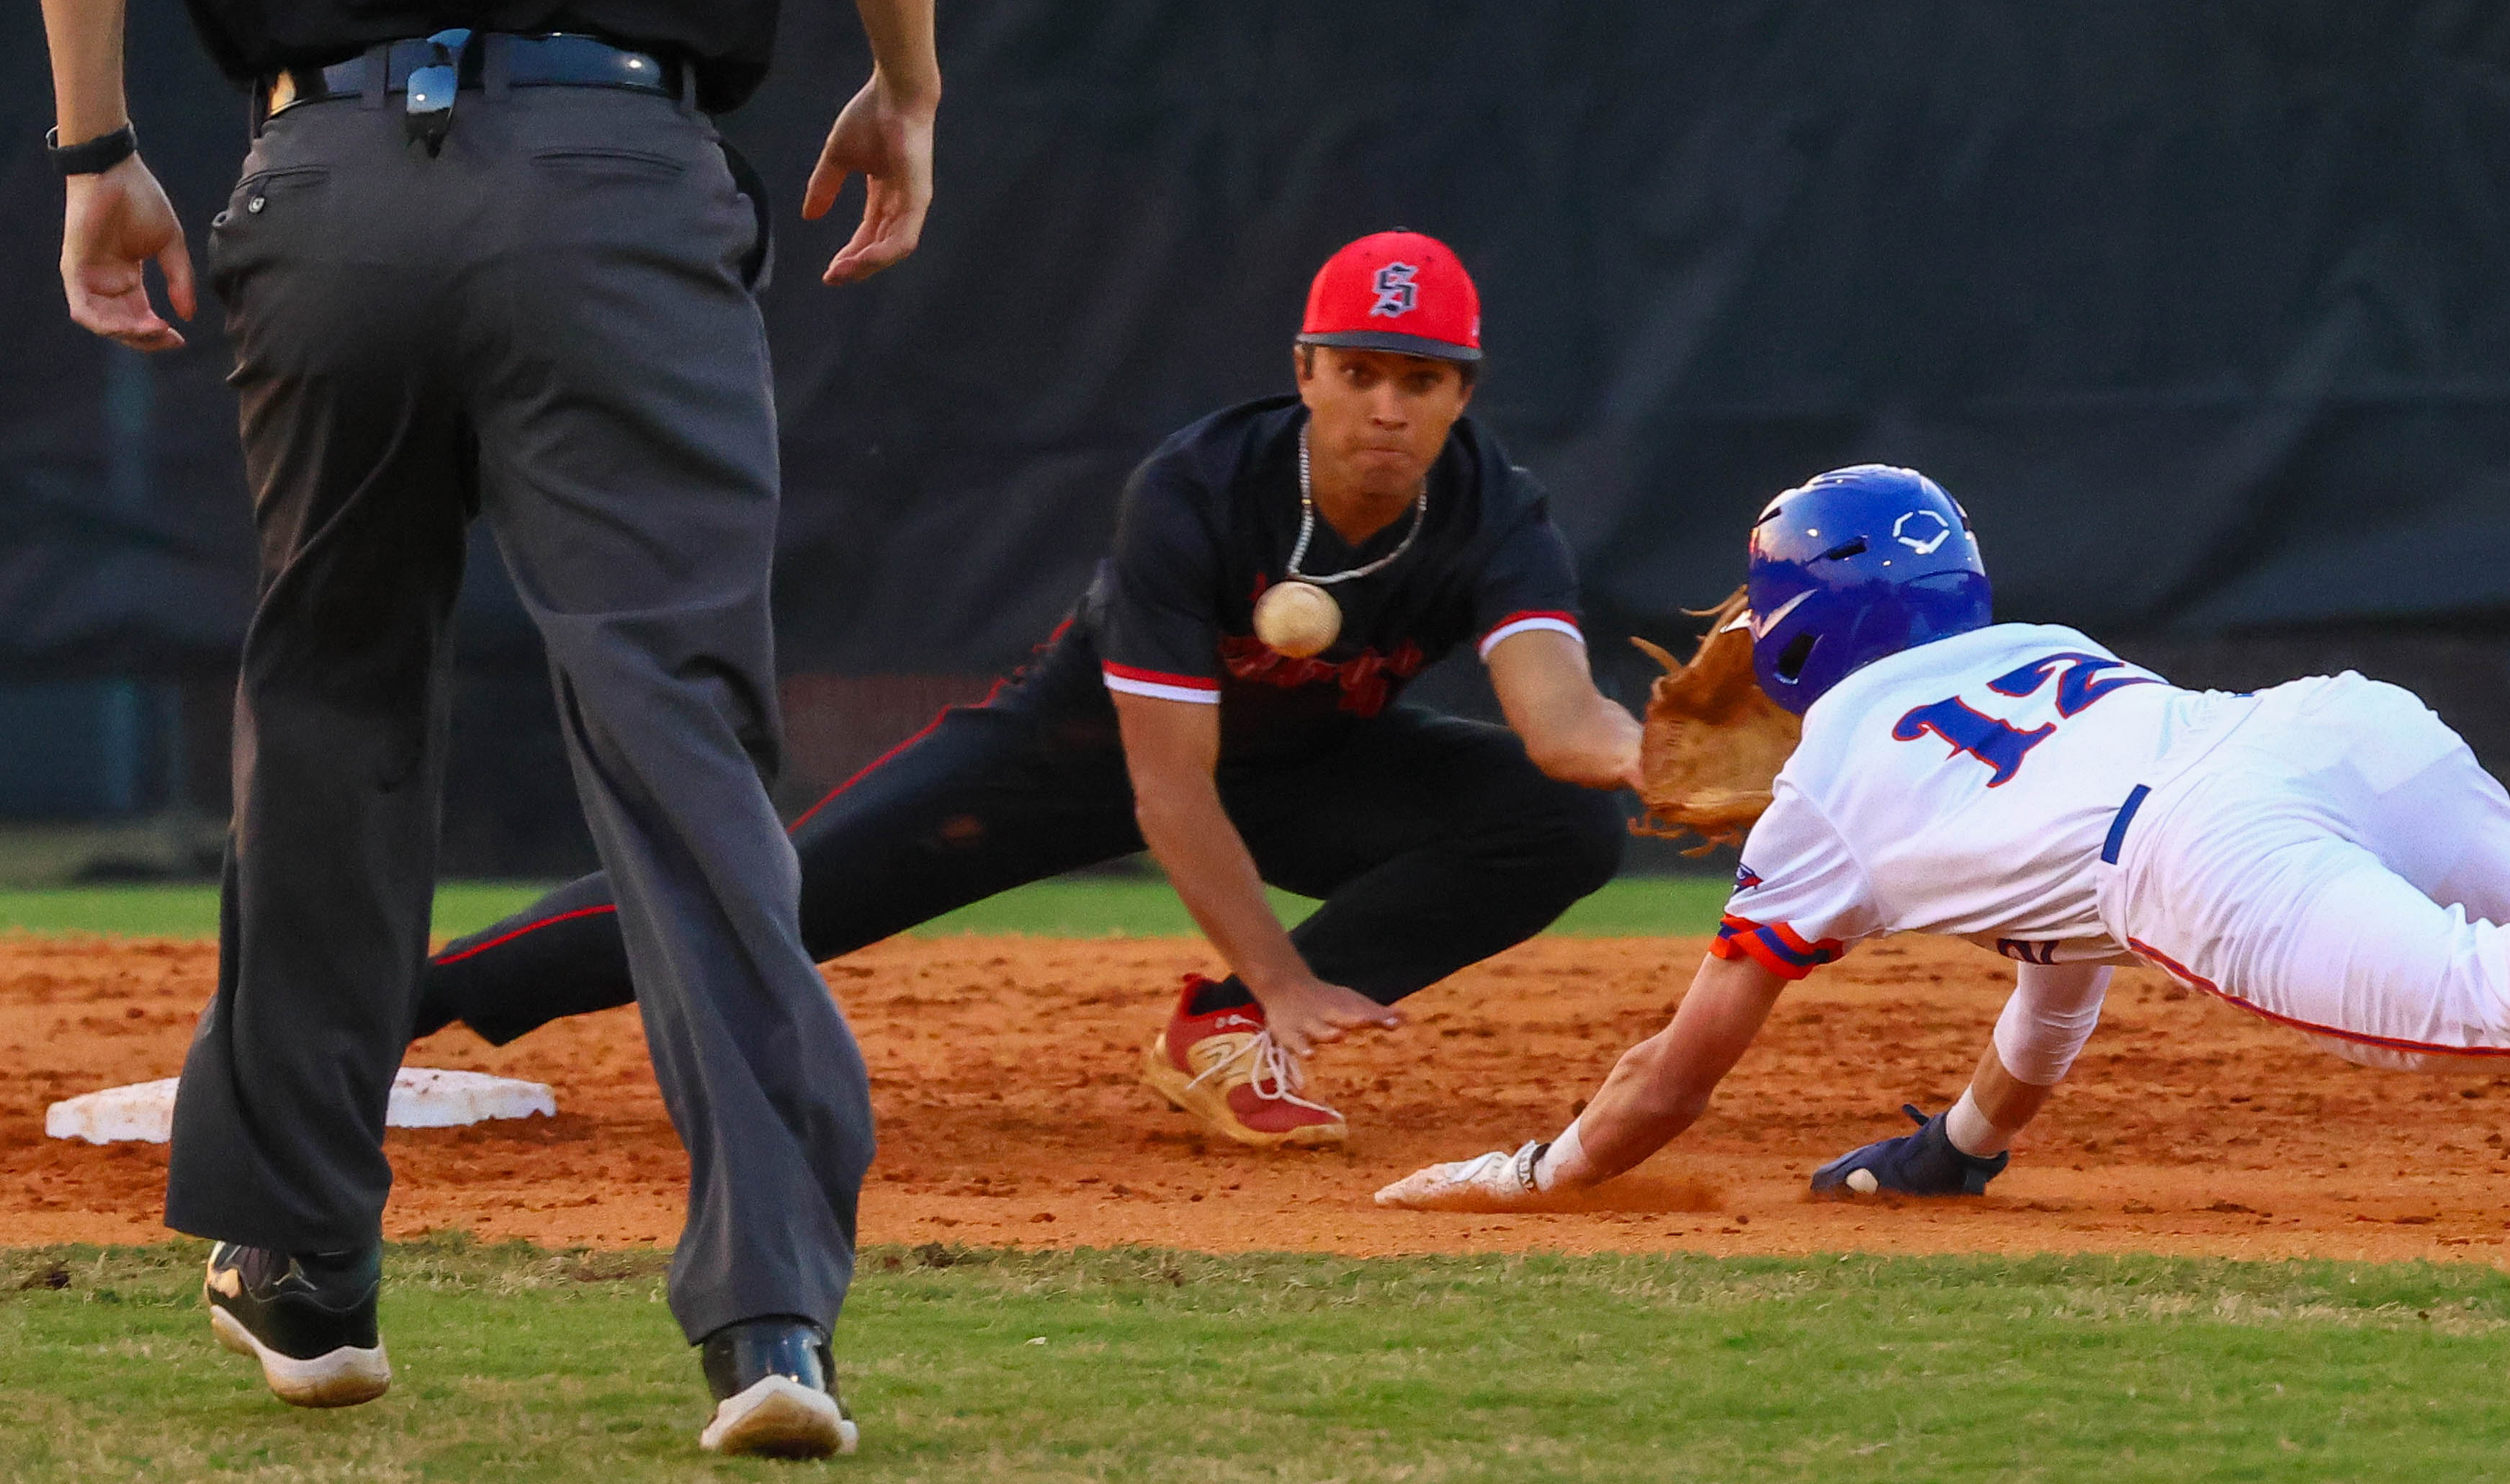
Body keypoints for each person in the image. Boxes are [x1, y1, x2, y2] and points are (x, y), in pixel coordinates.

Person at [1, 0, 978, 1459]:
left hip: (331, 174)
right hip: (619, 179)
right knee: (675, 720)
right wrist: (909, 89)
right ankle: (767, 1307)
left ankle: (301, 1257)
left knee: (335, 708)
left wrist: (98, 150)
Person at [1376, 466, 2510, 1212]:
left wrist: (1533, 1174)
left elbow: (1676, 1080)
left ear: (1803, 633)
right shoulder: (2040, 651)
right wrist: (1969, 1145)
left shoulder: (1823, 797)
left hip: (2204, 855)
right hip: (2326, 727)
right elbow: (2054, 974)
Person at [421, 231, 1641, 1148]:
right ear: (1306, 370)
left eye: (1420, 380)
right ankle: (392, 1014)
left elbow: (1557, 721)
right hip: (1070, 753)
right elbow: (1167, 785)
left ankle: (1219, 1033)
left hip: (1309, 769)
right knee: (770, 892)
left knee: (1566, 818)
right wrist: (1282, 971)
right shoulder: (1202, 487)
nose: (1388, 404)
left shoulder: (1493, 511)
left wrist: (1654, 760)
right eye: (1361, 369)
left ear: (1463, 393)